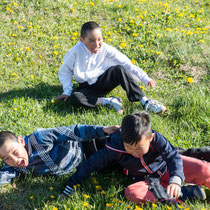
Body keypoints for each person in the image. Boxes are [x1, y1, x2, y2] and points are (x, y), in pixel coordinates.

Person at [62, 112, 210, 203]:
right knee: (132, 193)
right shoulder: (115, 146)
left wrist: (176, 179)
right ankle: (183, 194)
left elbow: (172, 157)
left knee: (203, 168)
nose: (135, 152)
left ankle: (176, 188)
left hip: (166, 168)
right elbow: (91, 164)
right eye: (129, 148)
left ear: (150, 137)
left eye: (139, 148)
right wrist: (70, 186)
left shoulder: (156, 138)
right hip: (146, 181)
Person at [56, 21, 166, 114]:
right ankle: (109, 101)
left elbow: (126, 63)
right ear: (81, 39)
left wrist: (145, 78)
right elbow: (65, 70)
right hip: (86, 87)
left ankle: (145, 101)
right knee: (75, 98)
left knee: (119, 69)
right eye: (91, 40)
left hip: (104, 81)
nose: (97, 44)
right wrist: (67, 91)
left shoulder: (106, 49)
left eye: (99, 39)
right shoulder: (75, 52)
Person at [0, 124, 119, 186]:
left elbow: (73, 131)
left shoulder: (39, 138)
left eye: (15, 152)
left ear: (21, 141)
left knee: (121, 144)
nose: (14, 160)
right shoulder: (12, 165)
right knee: (119, 166)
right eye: (6, 159)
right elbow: (3, 176)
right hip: (87, 165)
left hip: (86, 146)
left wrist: (103, 130)